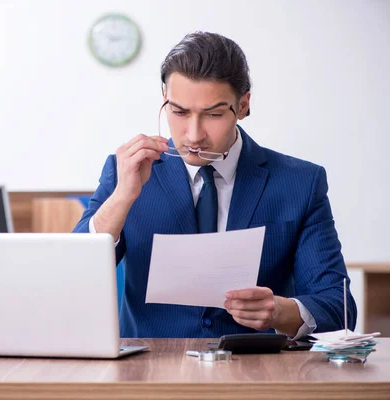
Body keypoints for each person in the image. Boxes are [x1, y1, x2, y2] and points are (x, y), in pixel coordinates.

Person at [72, 31, 356, 339]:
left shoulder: (300, 182)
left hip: (258, 373)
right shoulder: (125, 170)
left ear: (244, 105)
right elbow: (74, 276)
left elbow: (338, 308)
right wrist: (123, 197)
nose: (193, 135)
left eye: (214, 114)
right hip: (150, 373)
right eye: (179, 112)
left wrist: (280, 311)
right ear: (164, 97)